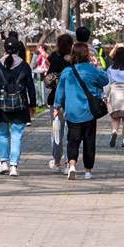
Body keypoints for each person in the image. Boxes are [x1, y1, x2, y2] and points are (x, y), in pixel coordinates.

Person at [55, 42, 111, 179]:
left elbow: (60, 91)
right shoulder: (92, 70)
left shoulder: (67, 72)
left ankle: (72, 165)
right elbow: (105, 80)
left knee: (72, 140)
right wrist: (97, 65)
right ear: (87, 55)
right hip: (89, 112)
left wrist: (56, 107)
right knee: (89, 141)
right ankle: (88, 170)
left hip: (72, 111)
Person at [0, 33, 37, 175]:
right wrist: (33, 104)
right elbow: (31, 87)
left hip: (2, 104)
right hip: (20, 104)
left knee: (3, 133)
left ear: (5, 50)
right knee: (17, 135)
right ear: (18, 50)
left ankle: (3, 162)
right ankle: (14, 165)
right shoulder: (24, 66)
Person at [44, 31, 74, 171]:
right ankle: (69, 162)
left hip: (56, 99)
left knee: (56, 131)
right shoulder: (74, 59)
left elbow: (48, 81)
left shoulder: (55, 58)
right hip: (73, 99)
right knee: (70, 132)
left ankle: (57, 160)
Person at [103, 44, 124, 147]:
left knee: (115, 118)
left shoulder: (110, 69)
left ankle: (114, 132)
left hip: (114, 94)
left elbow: (107, 84)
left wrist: (105, 96)